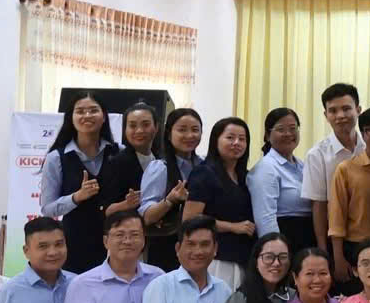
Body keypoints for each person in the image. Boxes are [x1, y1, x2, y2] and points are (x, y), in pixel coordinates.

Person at [41, 93, 119, 274]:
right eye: (80, 111)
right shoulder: (56, 158)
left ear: (104, 116)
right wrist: (76, 197)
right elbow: (47, 208)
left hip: (115, 242)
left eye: (93, 110)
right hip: (74, 242)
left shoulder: (119, 153)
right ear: (71, 117)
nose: (87, 115)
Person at [327, 106, 370, 290]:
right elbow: (336, 218)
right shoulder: (346, 169)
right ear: (363, 134)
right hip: (355, 249)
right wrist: (338, 258)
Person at [184, 116, 255, 290]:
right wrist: (233, 227)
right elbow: (190, 219)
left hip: (243, 258)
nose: (236, 143)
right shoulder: (204, 173)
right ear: (216, 140)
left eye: (242, 139)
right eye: (230, 137)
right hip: (216, 259)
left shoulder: (245, 176)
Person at [138, 106, 204, 272]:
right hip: (166, 247)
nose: (189, 135)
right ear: (169, 134)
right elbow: (147, 216)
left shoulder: (204, 166)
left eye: (195, 130)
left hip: (200, 245)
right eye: (182, 130)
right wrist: (170, 200)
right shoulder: (160, 167)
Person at [249, 107, 314, 252]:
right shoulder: (266, 168)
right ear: (267, 135)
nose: (288, 134)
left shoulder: (302, 165)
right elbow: (265, 219)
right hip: (285, 241)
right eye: (280, 129)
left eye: (293, 128)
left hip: (307, 240)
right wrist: (276, 252)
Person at [95, 101, 155, 239]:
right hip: (126, 236)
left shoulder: (161, 160)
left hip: (157, 237)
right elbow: (105, 210)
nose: (139, 130)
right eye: (132, 126)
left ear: (156, 127)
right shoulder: (116, 162)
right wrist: (126, 204)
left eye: (146, 124)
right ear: (125, 129)